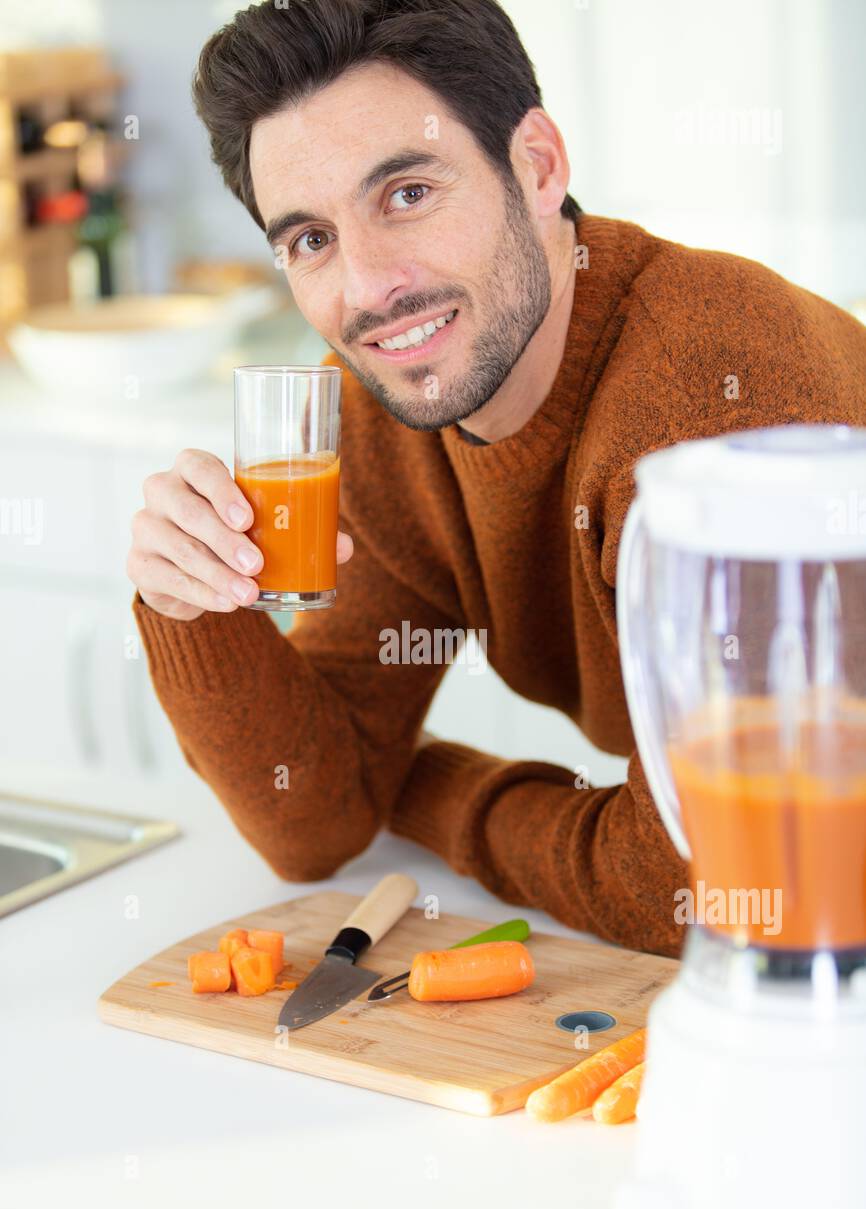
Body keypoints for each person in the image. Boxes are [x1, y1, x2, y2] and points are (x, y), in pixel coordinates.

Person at [126, 0, 866, 958]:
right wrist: (195, 604)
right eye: (310, 239)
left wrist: (426, 786)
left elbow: (723, 877)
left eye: (406, 194)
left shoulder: (718, 398)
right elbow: (310, 824)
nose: (368, 288)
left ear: (540, 164)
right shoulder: (379, 409)